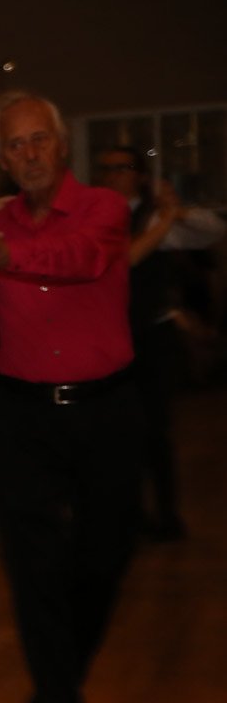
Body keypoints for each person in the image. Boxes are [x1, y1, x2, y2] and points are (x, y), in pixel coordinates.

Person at [0, 91, 137, 703]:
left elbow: (79, 259)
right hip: (24, 414)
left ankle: (62, 677)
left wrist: (2, 250)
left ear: (62, 145)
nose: (29, 153)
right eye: (15, 144)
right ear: (2, 159)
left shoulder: (103, 208)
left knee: (105, 555)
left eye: (39, 140)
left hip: (104, 411)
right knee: (33, 565)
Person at [93, 145, 225, 541]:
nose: (112, 175)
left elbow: (212, 231)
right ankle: (130, 513)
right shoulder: (98, 219)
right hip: (111, 340)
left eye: (121, 168)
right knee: (118, 433)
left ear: (140, 176)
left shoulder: (154, 218)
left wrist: (173, 212)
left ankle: (167, 515)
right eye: (106, 169)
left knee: (154, 430)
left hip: (150, 338)